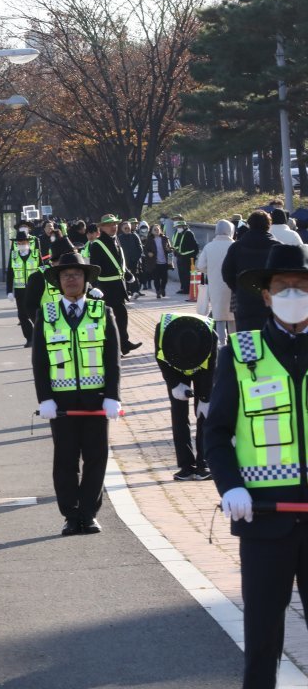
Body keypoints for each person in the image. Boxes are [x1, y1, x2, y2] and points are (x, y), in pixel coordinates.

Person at [205, 244, 308, 689]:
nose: (291, 294)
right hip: (265, 516)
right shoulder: (241, 354)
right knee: (263, 636)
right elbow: (216, 434)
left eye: (300, 287)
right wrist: (230, 487)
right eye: (282, 287)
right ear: (265, 296)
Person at [33, 251, 122, 535]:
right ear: (58, 281)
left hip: (96, 400)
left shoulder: (102, 311)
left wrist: (113, 395)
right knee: (66, 460)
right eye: (65, 275)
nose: (71, 279)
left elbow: (113, 358)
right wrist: (44, 398)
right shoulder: (46, 315)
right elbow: (40, 361)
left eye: (77, 274)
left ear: (86, 280)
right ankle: (71, 515)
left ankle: (89, 513)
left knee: (96, 459)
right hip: (61, 403)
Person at [153, 313, 216, 481]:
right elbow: (160, 360)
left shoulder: (211, 335)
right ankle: (185, 465)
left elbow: (211, 368)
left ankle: (204, 464)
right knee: (179, 414)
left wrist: (205, 398)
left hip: (202, 367)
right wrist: (175, 384)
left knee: (204, 414)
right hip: (174, 365)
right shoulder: (162, 331)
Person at [88, 214, 142, 354]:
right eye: (109, 225)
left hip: (119, 286)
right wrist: (93, 287)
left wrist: (128, 274)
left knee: (122, 316)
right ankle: (113, 346)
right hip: (106, 288)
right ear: (102, 227)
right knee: (109, 320)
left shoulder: (116, 240)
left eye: (115, 224)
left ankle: (123, 344)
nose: (114, 227)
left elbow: (119, 264)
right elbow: (94, 268)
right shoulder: (97, 245)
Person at [222, 211, 278, 332]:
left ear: (249, 225)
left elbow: (226, 272)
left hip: (244, 300)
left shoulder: (237, 247)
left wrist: (238, 288)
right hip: (270, 301)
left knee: (246, 339)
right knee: (271, 339)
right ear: (269, 225)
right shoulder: (277, 248)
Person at [197, 219, 236, 343]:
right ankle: (234, 343)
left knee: (219, 316)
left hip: (216, 286)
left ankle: (221, 343)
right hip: (233, 286)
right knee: (233, 316)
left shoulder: (209, 246)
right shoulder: (235, 245)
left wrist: (212, 271)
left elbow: (201, 266)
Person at [7, 230, 43, 346]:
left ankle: (40, 336)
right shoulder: (14, 255)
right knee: (22, 316)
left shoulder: (36, 254)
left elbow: (42, 270)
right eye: (19, 242)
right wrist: (9, 291)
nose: (21, 244)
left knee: (36, 314)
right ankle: (30, 338)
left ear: (28, 242)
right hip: (20, 291)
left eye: (23, 242)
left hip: (34, 289)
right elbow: (10, 273)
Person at [144, 224, 174, 299]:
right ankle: (158, 291)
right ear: (151, 231)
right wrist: (148, 253)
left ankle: (162, 289)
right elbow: (145, 250)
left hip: (164, 262)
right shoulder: (149, 240)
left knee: (165, 278)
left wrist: (170, 261)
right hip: (155, 262)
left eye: (158, 229)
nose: (157, 231)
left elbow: (170, 250)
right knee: (156, 278)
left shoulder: (165, 238)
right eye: (155, 229)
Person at [119, 220, 145, 299]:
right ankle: (127, 292)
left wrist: (136, 258)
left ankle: (135, 291)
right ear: (122, 229)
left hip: (134, 261)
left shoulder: (134, 236)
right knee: (125, 276)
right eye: (125, 228)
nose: (127, 229)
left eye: (128, 228)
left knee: (134, 276)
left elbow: (140, 248)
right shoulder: (119, 238)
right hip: (124, 262)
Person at [173, 219, 199, 294]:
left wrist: (189, 255)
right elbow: (178, 244)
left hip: (187, 258)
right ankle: (183, 288)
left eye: (179, 226)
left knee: (186, 274)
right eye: (177, 226)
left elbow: (194, 247)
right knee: (182, 273)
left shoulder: (188, 233)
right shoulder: (180, 233)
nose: (178, 228)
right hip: (180, 256)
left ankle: (187, 289)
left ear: (184, 226)